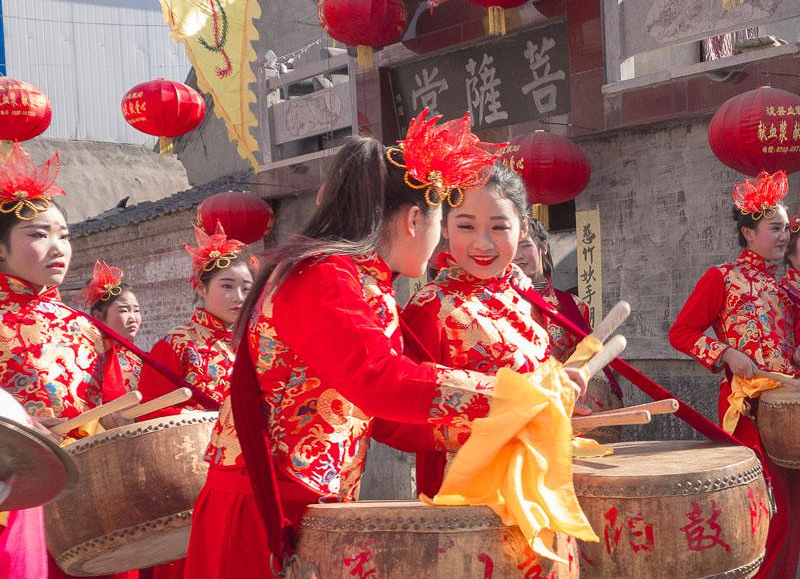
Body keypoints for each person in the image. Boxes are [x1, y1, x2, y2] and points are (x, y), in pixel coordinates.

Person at [184, 110, 588, 578]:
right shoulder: (327, 274)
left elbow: (384, 417)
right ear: (416, 218)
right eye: (448, 223)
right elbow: (379, 380)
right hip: (266, 503)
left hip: (311, 502)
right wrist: (515, 393)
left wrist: (513, 419)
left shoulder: (357, 278)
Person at [0, 143, 133, 579]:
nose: (58, 247)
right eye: (38, 235)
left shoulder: (89, 328)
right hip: (15, 498)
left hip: (88, 495)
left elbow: (114, 413)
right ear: (1, 250)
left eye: (64, 234)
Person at [669, 170, 800, 578]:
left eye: (787, 228)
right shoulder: (722, 278)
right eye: (776, 228)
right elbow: (681, 332)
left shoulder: (787, 288)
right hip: (746, 411)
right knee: (767, 508)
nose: (784, 235)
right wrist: (726, 352)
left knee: (791, 511)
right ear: (748, 232)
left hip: (790, 410)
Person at [401, 164, 552, 497]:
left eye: (498, 227)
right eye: (466, 226)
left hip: (538, 478)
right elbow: (399, 418)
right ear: (444, 227)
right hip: (469, 494)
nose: (482, 243)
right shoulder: (431, 308)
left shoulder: (524, 296)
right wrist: (498, 419)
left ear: (523, 228)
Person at [137, 224, 253, 416]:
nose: (238, 297)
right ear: (200, 288)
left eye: (246, 289)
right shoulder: (177, 344)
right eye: (227, 286)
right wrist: (193, 417)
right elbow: (147, 410)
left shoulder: (254, 343)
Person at [515, 218, 623, 403]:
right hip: (518, 403)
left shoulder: (574, 306)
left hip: (568, 406)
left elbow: (589, 359)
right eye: (512, 247)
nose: (518, 255)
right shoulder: (502, 304)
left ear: (544, 246)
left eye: (525, 245)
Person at [82, 260, 142, 391]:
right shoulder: (88, 360)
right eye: (124, 311)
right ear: (98, 316)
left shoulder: (141, 358)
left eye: (136, 310)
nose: (133, 318)